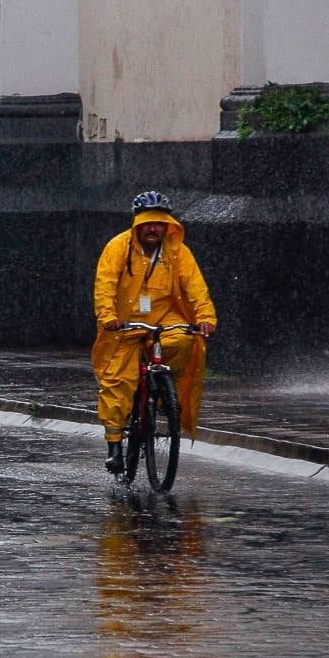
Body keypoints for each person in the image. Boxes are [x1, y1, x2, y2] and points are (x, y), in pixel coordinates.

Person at [91, 191, 217, 473]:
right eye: (148, 223)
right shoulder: (117, 248)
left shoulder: (177, 252)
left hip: (164, 318)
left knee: (184, 340)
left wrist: (205, 317)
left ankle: (162, 394)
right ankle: (114, 446)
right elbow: (105, 285)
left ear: (167, 226)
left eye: (159, 223)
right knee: (117, 382)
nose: (153, 229)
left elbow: (195, 287)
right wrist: (108, 316)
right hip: (124, 323)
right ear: (137, 224)